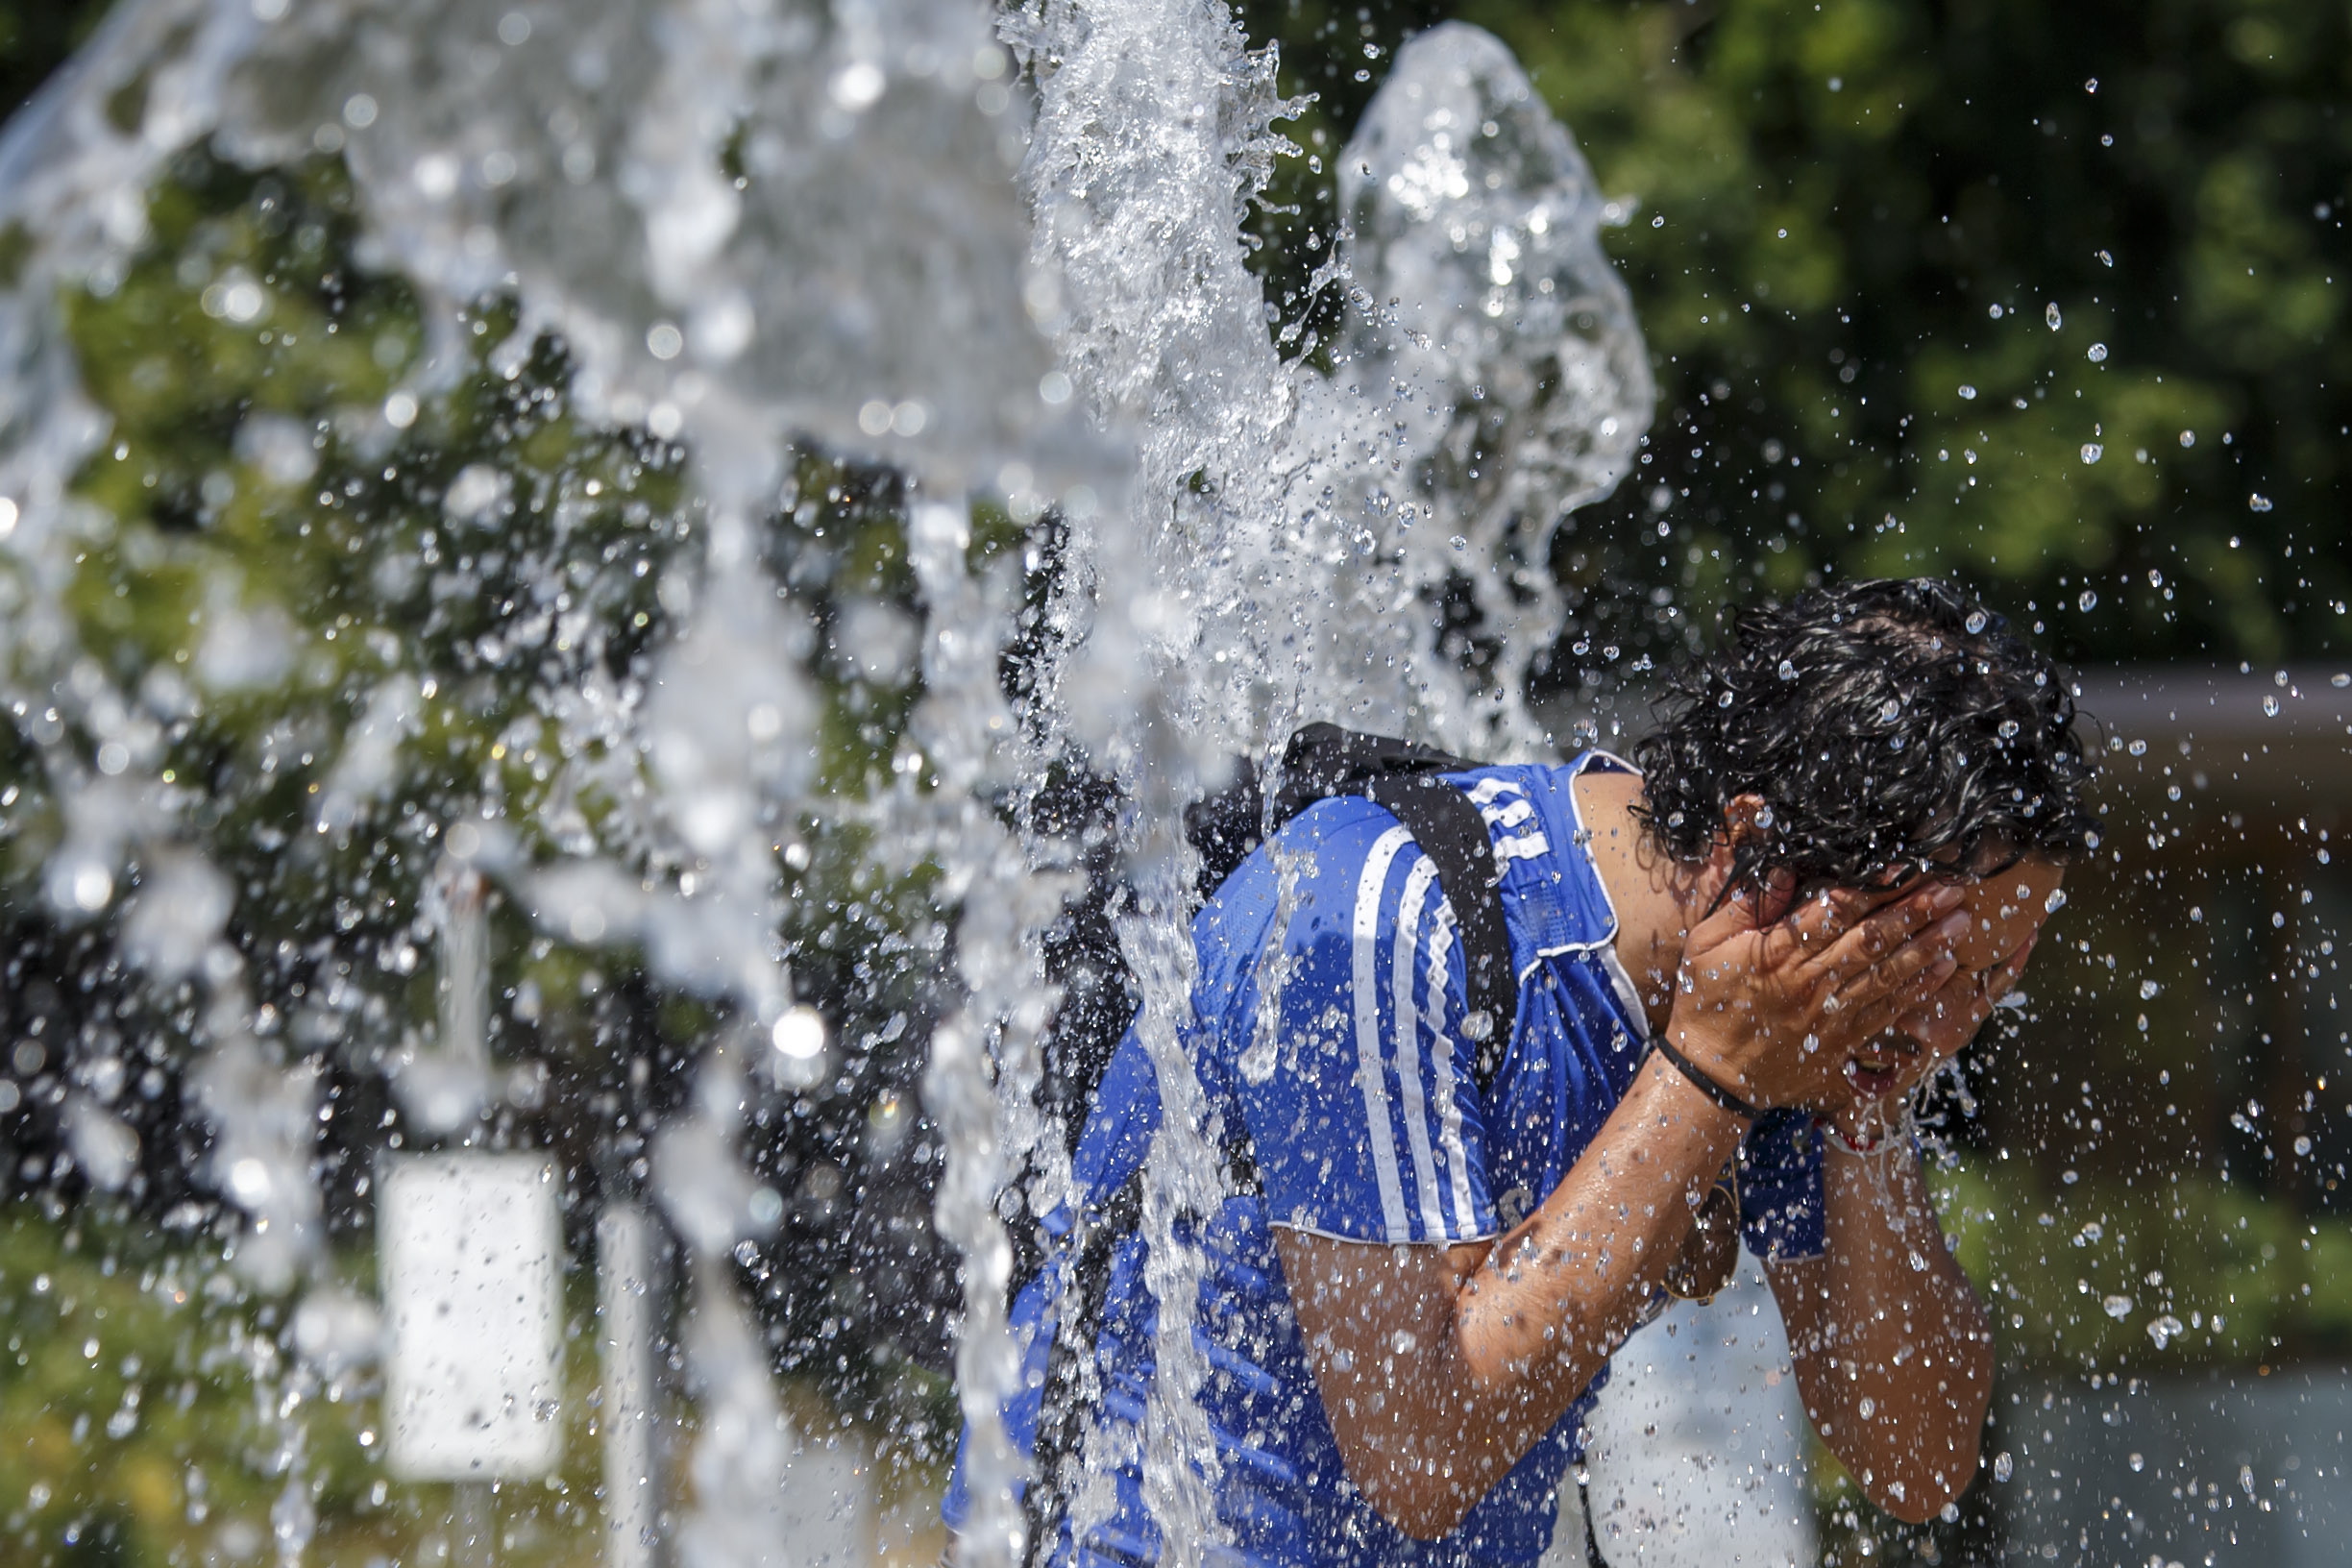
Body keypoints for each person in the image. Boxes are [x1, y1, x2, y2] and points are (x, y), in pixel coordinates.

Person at [948, 576, 2097, 1567]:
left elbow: (1916, 1461)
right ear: (1755, 855)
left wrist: (1868, 1116)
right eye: (1924, 962)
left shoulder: (1797, 1018)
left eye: (1989, 982)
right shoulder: (1381, 921)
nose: (1947, 1024)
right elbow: (1423, 1450)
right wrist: (1707, 1078)